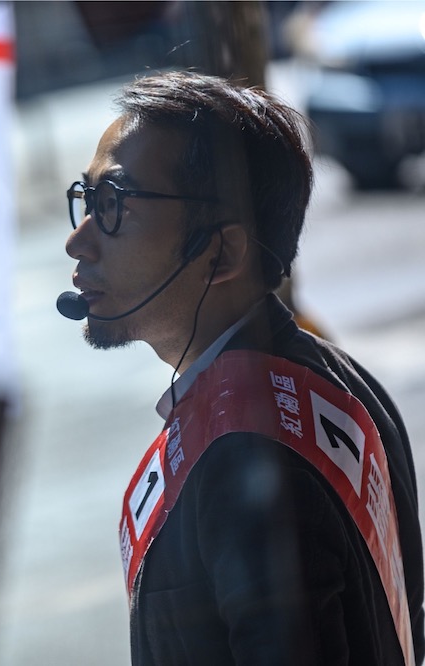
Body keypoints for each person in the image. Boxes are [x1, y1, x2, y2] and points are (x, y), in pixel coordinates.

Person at [59, 70, 424, 665]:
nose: (79, 241)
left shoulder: (247, 461)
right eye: (86, 198)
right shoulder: (340, 379)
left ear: (223, 251)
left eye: (114, 205)